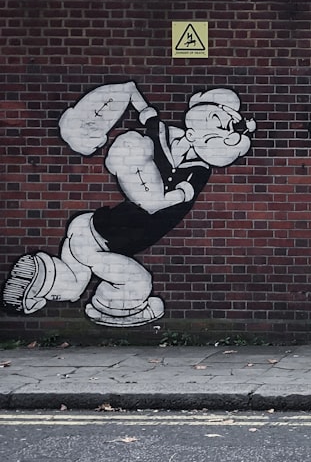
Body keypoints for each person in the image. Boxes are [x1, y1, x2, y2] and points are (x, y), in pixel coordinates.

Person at [3, 82, 256, 327]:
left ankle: (38, 276)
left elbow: (169, 198)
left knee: (73, 286)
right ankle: (104, 307)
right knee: (138, 282)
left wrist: (156, 196)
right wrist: (103, 110)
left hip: (91, 229)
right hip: (105, 241)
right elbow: (134, 94)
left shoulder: (197, 169)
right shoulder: (162, 137)